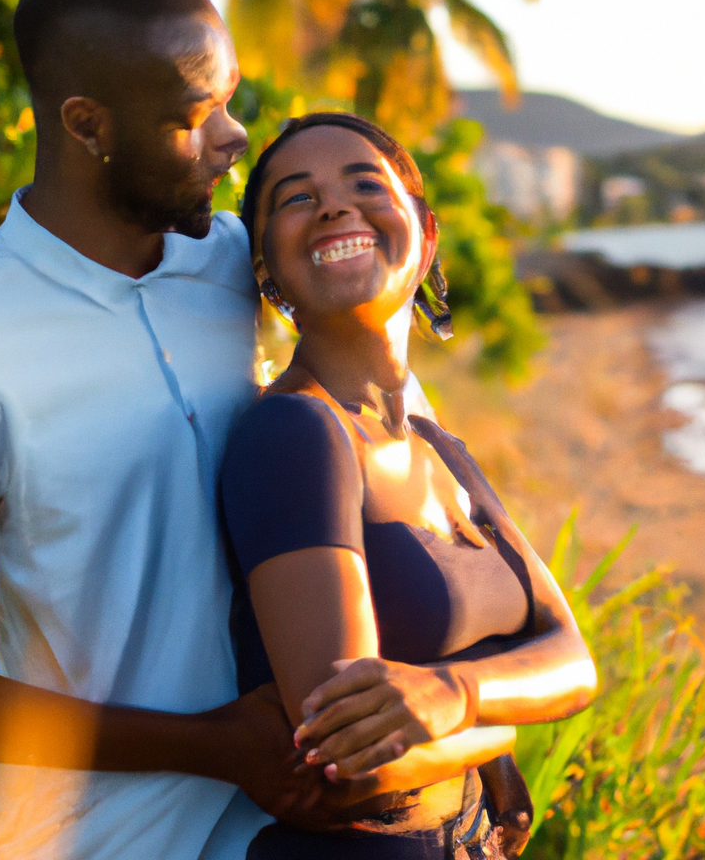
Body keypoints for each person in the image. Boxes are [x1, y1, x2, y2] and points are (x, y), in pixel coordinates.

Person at [0, 0, 402, 860]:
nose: (235, 137)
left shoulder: (233, 260)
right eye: (197, 117)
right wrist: (210, 747)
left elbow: (379, 419)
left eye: (232, 98)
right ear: (88, 124)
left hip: (273, 835)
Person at [220, 112, 599, 859]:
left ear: (424, 237)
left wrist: (453, 702)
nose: (334, 206)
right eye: (296, 198)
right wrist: (489, 718)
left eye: (365, 184)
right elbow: (345, 770)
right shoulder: (295, 434)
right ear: (267, 272)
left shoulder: (437, 440)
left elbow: (574, 659)